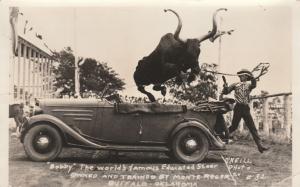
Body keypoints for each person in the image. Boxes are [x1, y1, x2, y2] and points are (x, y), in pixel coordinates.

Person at [222, 69, 269, 153]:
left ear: (246, 77)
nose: (241, 77)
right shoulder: (235, 85)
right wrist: (225, 86)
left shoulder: (249, 85)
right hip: (238, 108)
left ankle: (260, 146)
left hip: (246, 108)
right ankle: (221, 136)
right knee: (234, 126)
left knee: (252, 127)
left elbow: (254, 84)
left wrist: (252, 77)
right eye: (240, 76)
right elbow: (226, 92)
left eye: (243, 76)